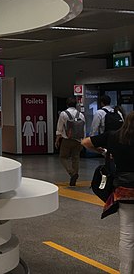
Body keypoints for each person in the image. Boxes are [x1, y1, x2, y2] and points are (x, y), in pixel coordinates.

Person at [82, 111, 134, 273]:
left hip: (125, 192)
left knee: (127, 235)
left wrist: (103, 152)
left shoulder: (114, 136)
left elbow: (85, 142)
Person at [55, 97, 85, 186]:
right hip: (78, 140)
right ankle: (74, 178)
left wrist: (57, 140)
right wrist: (83, 140)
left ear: (67, 104)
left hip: (67, 140)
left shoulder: (63, 114)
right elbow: (83, 128)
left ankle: (72, 173)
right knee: (75, 158)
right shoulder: (81, 115)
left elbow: (59, 128)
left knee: (63, 157)